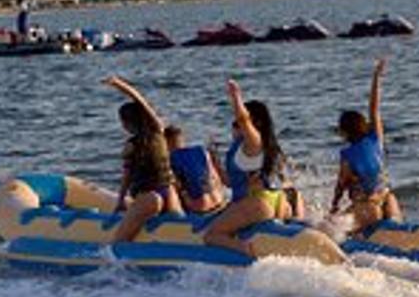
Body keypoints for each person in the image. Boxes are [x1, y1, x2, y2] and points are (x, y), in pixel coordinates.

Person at [203, 79, 296, 250]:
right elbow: (230, 183)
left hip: (257, 204)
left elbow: (244, 119)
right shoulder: (261, 147)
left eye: (236, 124)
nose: (235, 126)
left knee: (211, 235)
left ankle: (246, 248)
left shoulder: (253, 143)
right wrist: (214, 160)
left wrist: (235, 97)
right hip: (277, 201)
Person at [101, 75, 183, 243]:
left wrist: (120, 201)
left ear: (126, 123)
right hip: (169, 193)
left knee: (118, 243)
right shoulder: (158, 130)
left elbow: (127, 176)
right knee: (180, 234)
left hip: (149, 198)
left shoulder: (130, 145)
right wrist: (119, 84)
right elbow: (140, 100)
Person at [332, 57, 403, 234]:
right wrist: (377, 77)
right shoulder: (375, 138)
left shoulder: (347, 154)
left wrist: (333, 207)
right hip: (388, 200)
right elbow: (374, 108)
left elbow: (341, 185)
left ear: (345, 131)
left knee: (332, 230)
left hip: (367, 208)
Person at [163, 124, 229, 215]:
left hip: (199, 209)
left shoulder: (170, 159)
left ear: (166, 143)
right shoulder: (202, 151)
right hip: (220, 202)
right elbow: (216, 178)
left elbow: (174, 187)